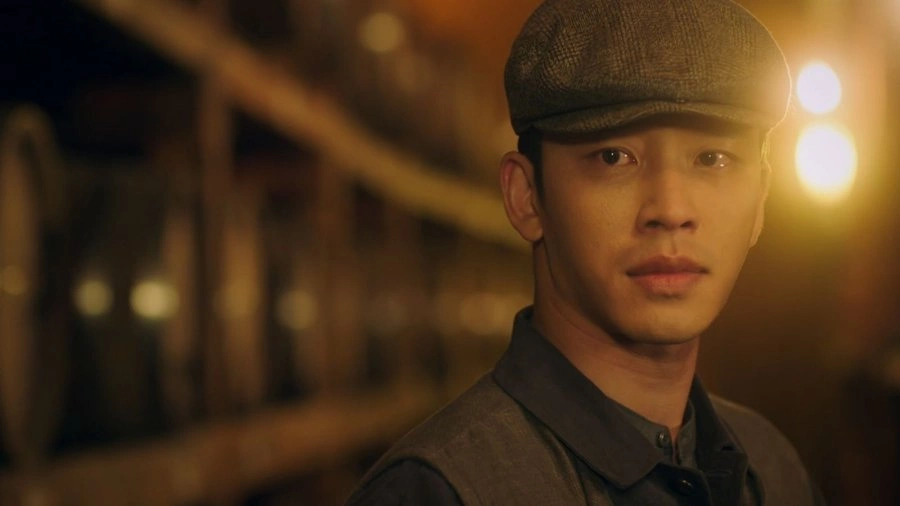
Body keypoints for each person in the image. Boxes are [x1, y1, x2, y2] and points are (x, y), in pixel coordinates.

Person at [347, 0, 826, 504]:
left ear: (761, 201)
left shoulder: (774, 470)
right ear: (526, 197)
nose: (670, 209)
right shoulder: (442, 491)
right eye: (614, 157)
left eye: (713, 158)